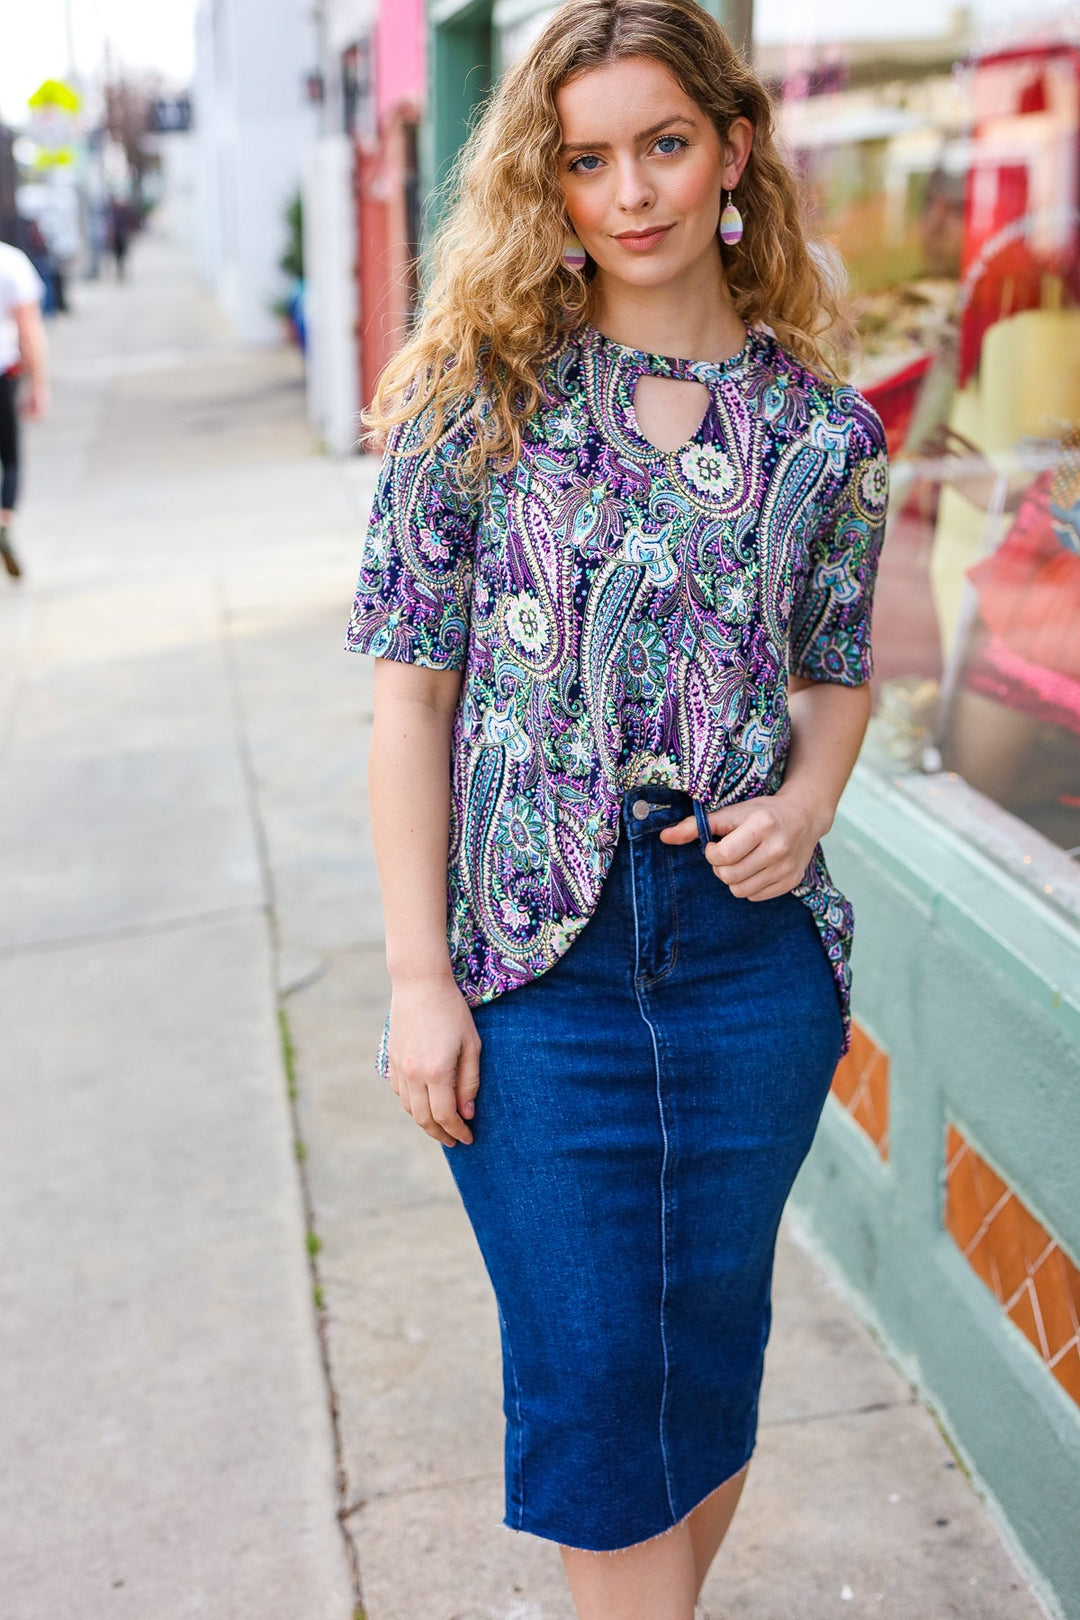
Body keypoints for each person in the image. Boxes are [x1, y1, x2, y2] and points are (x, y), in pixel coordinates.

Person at [346, 3, 888, 1615]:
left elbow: (839, 669)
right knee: (595, 1376)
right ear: (549, 184)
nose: (631, 191)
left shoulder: (825, 432)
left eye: (664, 144)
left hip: (748, 963)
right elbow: (409, 705)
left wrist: (808, 800)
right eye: (587, 160)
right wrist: (418, 980)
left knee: (702, 1358)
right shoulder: (475, 405)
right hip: (535, 968)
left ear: (732, 150)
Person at [0, 239, 49, 579]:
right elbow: (29, 331)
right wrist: (38, 385)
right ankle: (4, 520)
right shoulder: (11, 263)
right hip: (4, 375)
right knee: (11, 459)